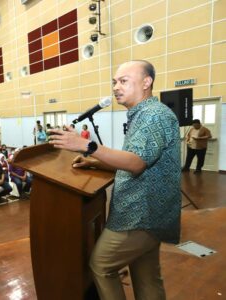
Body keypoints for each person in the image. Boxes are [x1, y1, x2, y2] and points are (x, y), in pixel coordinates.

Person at [48, 60, 181, 300]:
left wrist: (87, 146)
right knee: (147, 276)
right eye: (114, 82)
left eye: (123, 81)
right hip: (152, 213)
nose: (116, 87)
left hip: (141, 214)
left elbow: (137, 162)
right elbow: (129, 159)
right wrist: (95, 161)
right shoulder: (143, 113)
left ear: (146, 82)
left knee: (101, 265)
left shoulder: (153, 116)